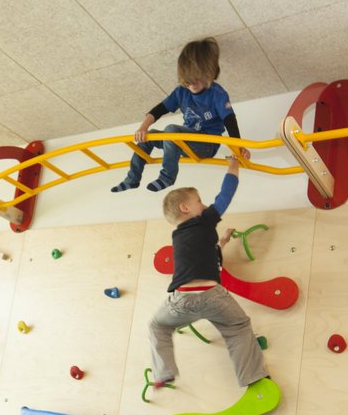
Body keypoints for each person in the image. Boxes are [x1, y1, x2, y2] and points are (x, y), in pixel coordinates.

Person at [148, 155, 268, 390]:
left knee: (158, 326)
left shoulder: (180, 237)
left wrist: (222, 242)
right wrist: (234, 164)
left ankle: (164, 373)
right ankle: (252, 377)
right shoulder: (203, 221)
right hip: (213, 296)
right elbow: (225, 195)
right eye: (199, 202)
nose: (204, 206)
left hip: (182, 300)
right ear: (185, 208)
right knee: (238, 328)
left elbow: (206, 257)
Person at [112, 37, 246, 193]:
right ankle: (132, 179)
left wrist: (238, 147)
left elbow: (230, 120)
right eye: (187, 82)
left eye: (196, 80)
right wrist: (143, 128)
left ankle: (167, 177)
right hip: (181, 141)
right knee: (148, 137)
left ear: (208, 74)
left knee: (171, 130)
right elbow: (159, 109)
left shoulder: (217, 93)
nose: (191, 85)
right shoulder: (181, 91)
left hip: (206, 145)